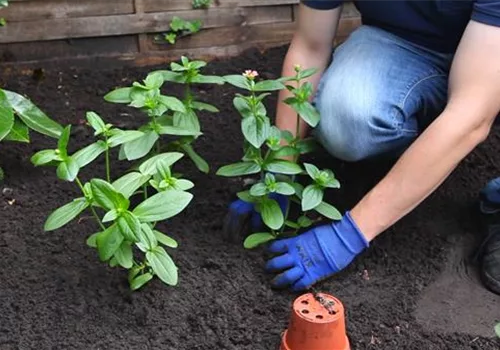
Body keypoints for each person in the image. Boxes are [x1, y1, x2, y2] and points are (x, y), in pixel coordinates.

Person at [224, 0, 500, 295]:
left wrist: (349, 235)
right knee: (346, 118)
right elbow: (310, 46)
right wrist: (278, 169)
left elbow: (472, 115)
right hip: (405, 43)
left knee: (470, 112)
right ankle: (422, 154)